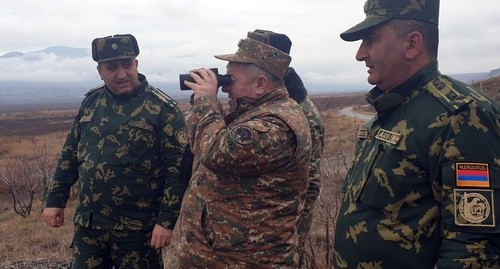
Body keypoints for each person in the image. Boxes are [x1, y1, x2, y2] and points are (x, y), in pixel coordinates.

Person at [333, 0, 500, 268]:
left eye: (371, 40)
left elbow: (473, 248)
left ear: (412, 44)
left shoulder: (462, 115)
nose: (360, 54)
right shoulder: (391, 108)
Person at [43, 34, 189, 269]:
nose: (121, 74)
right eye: (112, 67)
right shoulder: (91, 102)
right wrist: (54, 199)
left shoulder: (162, 109)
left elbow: (178, 171)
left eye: (127, 65)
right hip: (89, 224)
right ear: (100, 71)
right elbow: (71, 154)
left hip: (136, 229)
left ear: (137, 64)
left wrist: (166, 221)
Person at [176, 33, 312, 268]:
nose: (225, 87)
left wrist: (206, 102)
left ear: (260, 84)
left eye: (231, 80)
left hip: (248, 260)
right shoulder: (254, 113)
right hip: (223, 256)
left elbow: (215, 152)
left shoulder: (276, 123)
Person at [246, 29, 325, 267]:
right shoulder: (274, 102)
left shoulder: (298, 112)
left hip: (285, 224)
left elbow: (309, 182)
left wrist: (294, 234)